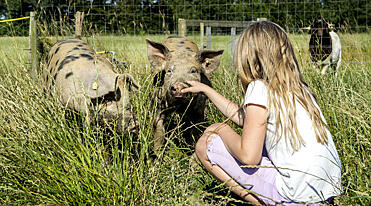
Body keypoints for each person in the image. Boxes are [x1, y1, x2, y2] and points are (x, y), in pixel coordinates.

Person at [181, 21, 342, 205]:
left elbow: (249, 157)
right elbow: (246, 119)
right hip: (325, 191)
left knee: (205, 144)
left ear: (250, 57)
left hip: (294, 194)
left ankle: (266, 203)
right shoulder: (298, 88)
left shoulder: (259, 87)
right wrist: (206, 90)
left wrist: (220, 129)